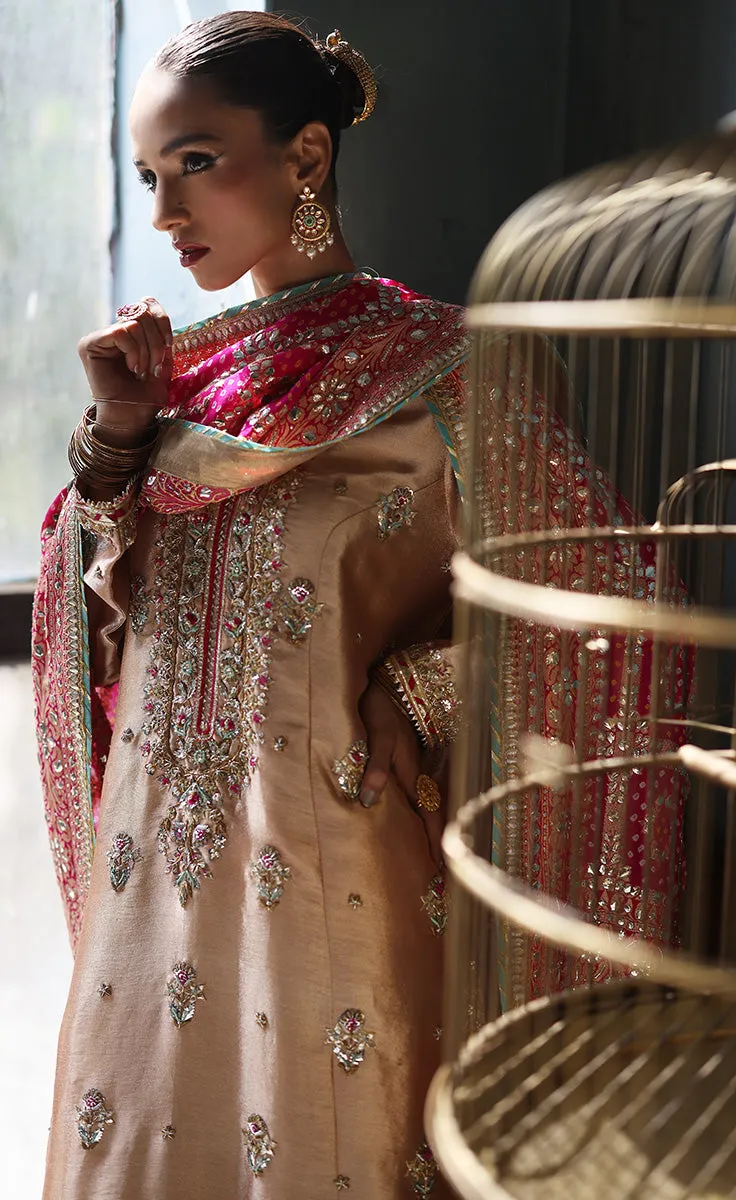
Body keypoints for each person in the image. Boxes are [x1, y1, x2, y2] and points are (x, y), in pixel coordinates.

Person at [33, 12, 466, 1198]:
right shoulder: (177, 385)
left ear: (307, 158)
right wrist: (120, 436)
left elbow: (591, 591)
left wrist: (416, 685)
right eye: (147, 178)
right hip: (154, 867)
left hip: (338, 861)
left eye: (196, 164)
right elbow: (110, 595)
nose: (166, 215)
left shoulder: (439, 370)